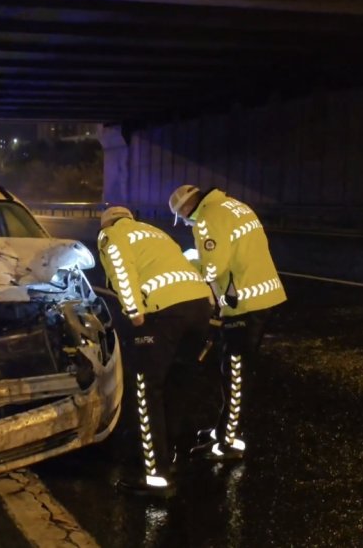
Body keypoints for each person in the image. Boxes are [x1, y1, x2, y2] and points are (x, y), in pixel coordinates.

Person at [97, 206, 213, 497]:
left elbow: (122, 269)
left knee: (147, 390)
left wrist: (134, 312)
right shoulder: (154, 232)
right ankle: (171, 455)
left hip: (164, 314)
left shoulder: (112, 235)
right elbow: (188, 262)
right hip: (200, 307)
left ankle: (156, 476)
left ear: (107, 223)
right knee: (177, 385)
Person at [168, 185, 287, 461]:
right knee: (234, 370)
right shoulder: (235, 206)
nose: (185, 222)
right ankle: (224, 430)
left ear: (186, 208)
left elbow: (214, 267)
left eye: (182, 217)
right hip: (261, 295)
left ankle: (229, 442)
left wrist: (188, 266)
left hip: (244, 303)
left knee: (234, 373)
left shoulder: (208, 218)